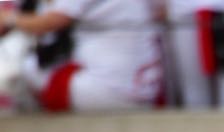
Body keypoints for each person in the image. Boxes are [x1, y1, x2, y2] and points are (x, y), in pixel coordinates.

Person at [0, 0, 162, 108]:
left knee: (28, 70)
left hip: (107, 90)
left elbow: (51, 22)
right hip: (145, 90)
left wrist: (9, 19)